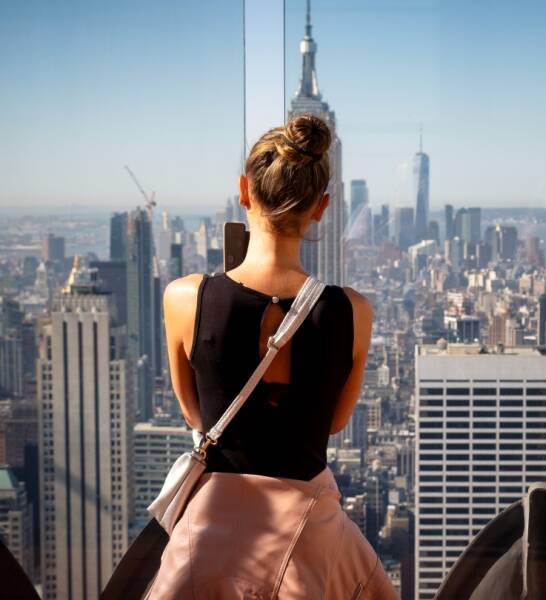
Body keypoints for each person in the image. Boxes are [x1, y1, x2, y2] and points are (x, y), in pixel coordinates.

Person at [146, 114, 397, 599]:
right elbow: (335, 421)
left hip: (214, 531)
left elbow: (193, 412)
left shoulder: (185, 298)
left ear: (244, 190)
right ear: (321, 207)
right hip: (310, 532)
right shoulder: (351, 312)